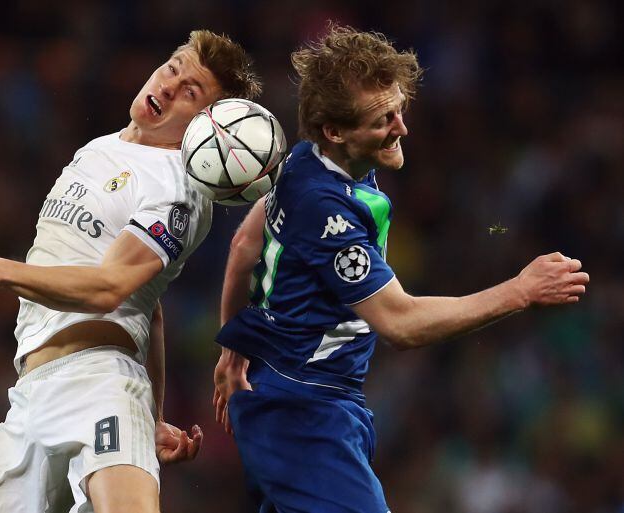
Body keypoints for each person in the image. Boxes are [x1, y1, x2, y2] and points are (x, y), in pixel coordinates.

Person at [212, 23, 590, 513]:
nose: (401, 127)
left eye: (399, 108)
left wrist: (233, 348)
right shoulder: (323, 206)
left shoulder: (306, 159)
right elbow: (401, 323)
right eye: (382, 118)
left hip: (303, 400)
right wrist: (521, 290)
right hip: (303, 413)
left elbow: (245, 245)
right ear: (335, 130)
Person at [0, 30, 261, 513]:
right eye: (172, 67)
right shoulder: (99, 148)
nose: (169, 85)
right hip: (31, 394)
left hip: (99, 383)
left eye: (191, 92)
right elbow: (150, 306)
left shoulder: (178, 188)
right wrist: (154, 415)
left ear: (206, 127)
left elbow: (112, 289)